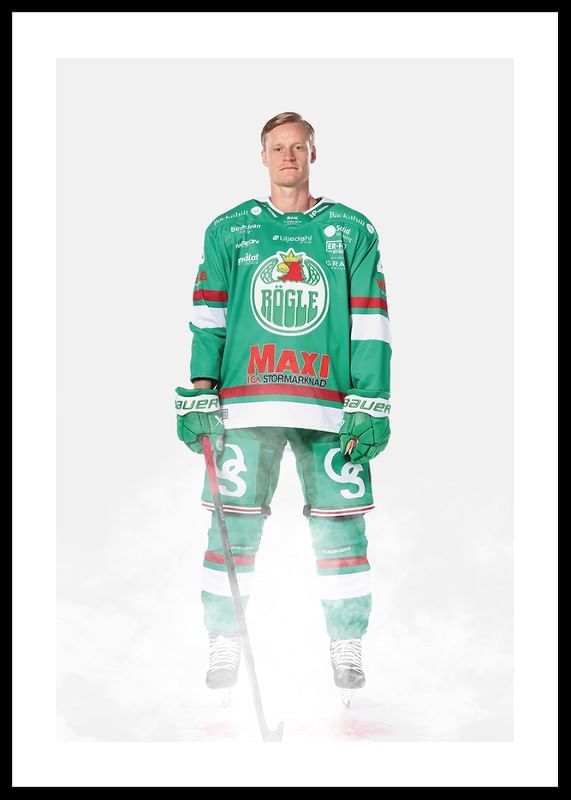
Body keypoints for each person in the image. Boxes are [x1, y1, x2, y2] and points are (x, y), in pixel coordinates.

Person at [175, 112, 392, 695]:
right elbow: (209, 315)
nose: (288, 157)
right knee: (232, 528)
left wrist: (371, 400)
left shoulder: (352, 229)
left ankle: (346, 643)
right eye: (278, 148)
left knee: (342, 530)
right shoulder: (229, 229)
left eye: (298, 147)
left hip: (329, 404)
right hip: (246, 404)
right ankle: (224, 638)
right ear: (263, 156)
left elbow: (370, 318)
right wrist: (201, 391)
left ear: (313, 153)